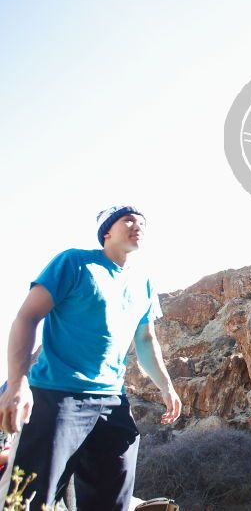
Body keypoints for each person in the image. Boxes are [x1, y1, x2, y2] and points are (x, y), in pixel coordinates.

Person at [0, 205, 182, 510]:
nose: (137, 225)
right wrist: (17, 384)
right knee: (29, 497)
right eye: (128, 220)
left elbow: (146, 340)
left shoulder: (145, 283)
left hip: (112, 402)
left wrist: (166, 386)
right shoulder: (74, 263)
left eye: (142, 222)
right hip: (58, 397)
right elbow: (27, 317)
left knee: (112, 500)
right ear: (107, 231)